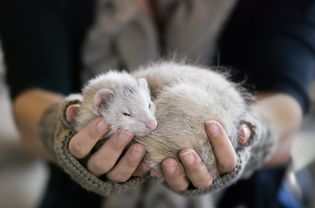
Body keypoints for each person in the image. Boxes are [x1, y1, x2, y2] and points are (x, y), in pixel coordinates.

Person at [0, 0, 314, 207]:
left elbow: (287, 104)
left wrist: (250, 140)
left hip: (243, 198)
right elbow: (30, 99)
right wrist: (63, 129)